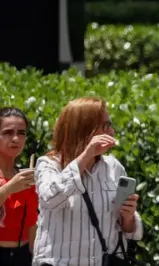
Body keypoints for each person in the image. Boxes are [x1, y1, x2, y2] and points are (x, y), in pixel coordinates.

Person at [32, 97, 143, 266]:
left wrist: (128, 218)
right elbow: (49, 199)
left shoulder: (113, 167)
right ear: (85, 129)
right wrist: (85, 155)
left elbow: (129, 231)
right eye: (106, 125)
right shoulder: (48, 164)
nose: (112, 132)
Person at [0, 107, 38, 265]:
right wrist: (9, 187)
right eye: (8, 133)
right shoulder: (19, 180)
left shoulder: (24, 175)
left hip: (22, 256)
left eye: (21, 133)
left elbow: (31, 224)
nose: (16, 139)